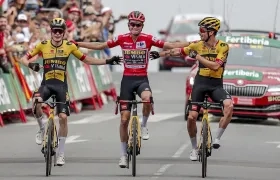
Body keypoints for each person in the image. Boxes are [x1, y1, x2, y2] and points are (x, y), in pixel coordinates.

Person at [73, 11, 190, 168]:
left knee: (147, 98)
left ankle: (144, 125)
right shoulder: (122, 39)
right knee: (123, 119)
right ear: (128, 25)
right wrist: (79, 44)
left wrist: (194, 43)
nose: (135, 27)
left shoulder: (148, 39)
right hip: (127, 80)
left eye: (138, 25)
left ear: (142, 26)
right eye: (132, 24)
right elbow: (100, 45)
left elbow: (171, 45)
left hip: (142, 79)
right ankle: (123, 155)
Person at [19, 18, 122, 166]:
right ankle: (42, 129)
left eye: (60, 31)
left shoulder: (69, 46)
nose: (57, 33)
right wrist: (31, 65)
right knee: (36, 102)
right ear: (51, 31)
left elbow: (87, 60)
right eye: (55, 30)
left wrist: (108, 61)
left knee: (62, 117)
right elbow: (22, 58)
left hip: (61, 86)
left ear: (64, 33)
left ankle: (60, 153)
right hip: (46, 84)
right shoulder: (42, 45)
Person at [150, 17, 233, 161]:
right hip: (200, 84)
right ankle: (194, 148)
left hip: (216, 85)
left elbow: (215, 66)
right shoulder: (198, 45)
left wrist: (198, 57)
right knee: (191, 117)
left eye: (202, 30)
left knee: (229, 106)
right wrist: (160, 54)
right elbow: (179, 51)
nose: (200, 33)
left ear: (212, 32)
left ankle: (217, 138)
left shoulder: (223, 47)